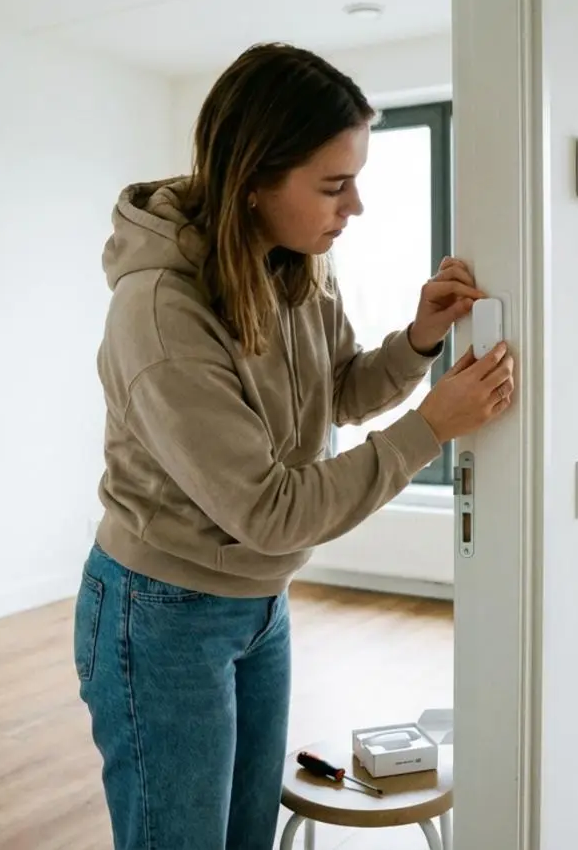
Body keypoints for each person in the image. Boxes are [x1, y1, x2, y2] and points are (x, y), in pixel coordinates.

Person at [74, 42, 517, 850]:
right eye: (333, 185)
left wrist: (419, 340)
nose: (355, 207)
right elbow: (271, 511)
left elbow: (340, 387)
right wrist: (430, 429)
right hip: (161, 613)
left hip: (260, 604)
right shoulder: (160, 314)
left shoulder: (296, 263)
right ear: (254, 180)